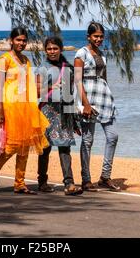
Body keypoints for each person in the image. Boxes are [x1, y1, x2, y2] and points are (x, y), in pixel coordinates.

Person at [0, 27, 50, 194]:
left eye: (23, 40)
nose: (21, 43)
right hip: (8, 106)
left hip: (25, 106)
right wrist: (0, 109)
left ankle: (19, 183)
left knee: (25, 145)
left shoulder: (26, 60)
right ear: (11, 40)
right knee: (12, 145)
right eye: (18, 40)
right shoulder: (3, 59)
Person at [74, 22, 121, 192]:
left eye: (101, 36)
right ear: (89, 37)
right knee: (87, 140)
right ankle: (86, 179)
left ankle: (105, 177)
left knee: (113, 136)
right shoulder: (81, 54)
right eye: (96, 36)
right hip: (89, 100)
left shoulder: (102, 54)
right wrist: (85, 104)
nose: (99, 39)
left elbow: (104, 78)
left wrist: (110, 97)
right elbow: (78, 80)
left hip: (104, 99)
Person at [36, 36, 83, 196]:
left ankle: (69, 184)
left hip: (64, 113)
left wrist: (75, 122)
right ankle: (42, 182)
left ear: (60, 49)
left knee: (65, 148)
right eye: (49, 49)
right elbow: (35, 92)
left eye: (55, 48)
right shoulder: (42, 68)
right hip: (46, 112)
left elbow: (70, 95)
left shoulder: (68, 68)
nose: (52, 51)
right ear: (45, 51)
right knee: (45, 149)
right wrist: (52, 86)